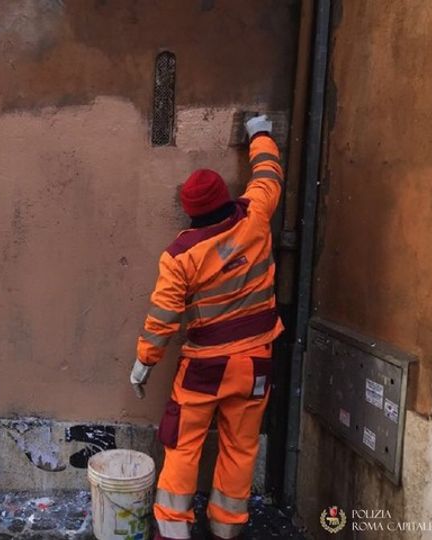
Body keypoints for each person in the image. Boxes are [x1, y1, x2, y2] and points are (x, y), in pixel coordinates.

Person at [130, 115, 285, 540]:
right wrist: (261, 133)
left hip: (205, 368)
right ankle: (226, 527)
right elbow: (269, 174)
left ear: (189, 211)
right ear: (225, 197)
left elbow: (163, 318)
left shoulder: (181, 255)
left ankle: (173, 531)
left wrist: (144, 362)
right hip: (255, 362)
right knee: (240, 446)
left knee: (182, 445)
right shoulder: (255, 216)